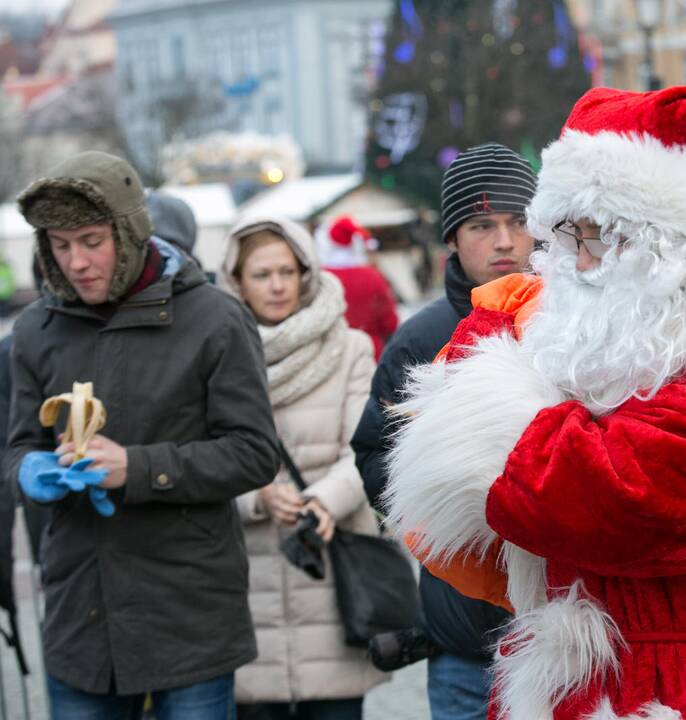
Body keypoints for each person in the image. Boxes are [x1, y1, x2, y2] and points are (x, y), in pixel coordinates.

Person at [384, 87, 686, 718]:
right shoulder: (593, 348)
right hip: (572, 676)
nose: (576, 263)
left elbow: (584, 495)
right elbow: (450, 502)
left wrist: (492, 366)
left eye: (598, 237)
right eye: (570, 235)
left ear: (672, 242)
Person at [7, 151, 278, 718]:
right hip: (80, 616)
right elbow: (17, 448)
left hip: (189, 615)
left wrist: (138, 467)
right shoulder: (35, 329)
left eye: (91, 240)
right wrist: (31, 474)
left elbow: (254, 454)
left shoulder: (214, 318)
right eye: (59, 245)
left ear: (129, 233)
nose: (75, 262)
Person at [351, 143, 537, 719]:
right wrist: (449, 506)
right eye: (482, 225)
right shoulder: (420, 339)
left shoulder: (583, 323)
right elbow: (374, 454)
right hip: (465, 641)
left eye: (519, 221)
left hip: (582, 631)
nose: (504, 241)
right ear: (452, 240)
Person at [221, 215, 387, 719]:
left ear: (305, 273)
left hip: (332, 572)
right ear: (237, 283)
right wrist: (257, 497)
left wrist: (323, 501)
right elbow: (202, 457)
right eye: (261, 275)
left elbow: (365, 446)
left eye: (287, 272)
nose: (276, 286)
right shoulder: (217, 354)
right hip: (251, 584)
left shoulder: (349, 348)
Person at [318, 215, 399, 359]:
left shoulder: (320, 279)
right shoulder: (373, 276)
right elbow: (390, 323)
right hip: (370, 354)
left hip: (330, 356)